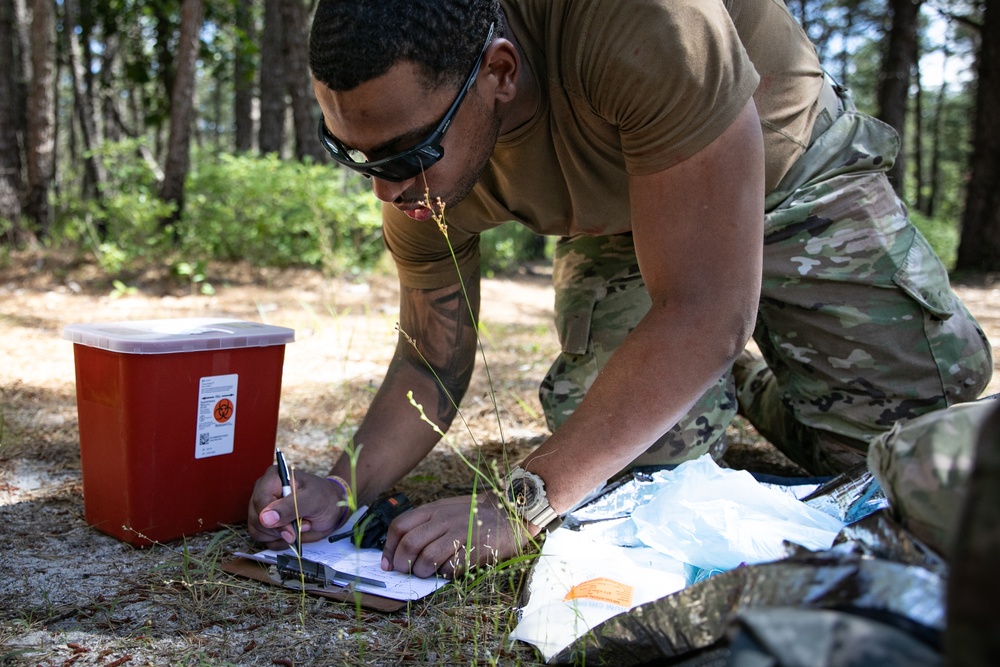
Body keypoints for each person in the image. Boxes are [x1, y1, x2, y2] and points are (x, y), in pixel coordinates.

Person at [248, 0, 993, 578]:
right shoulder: (416, 172)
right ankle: (712, 373)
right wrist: (342, 487)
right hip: (629, 222)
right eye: (355, 154)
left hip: (787, 163)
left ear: (501, 73)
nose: (386, 189)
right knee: (633, 468)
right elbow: (430, 359)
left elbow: (705, 310)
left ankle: (706, 364)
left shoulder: (643, 24)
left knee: (902, 453)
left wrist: (520, 502)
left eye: (409, 151)